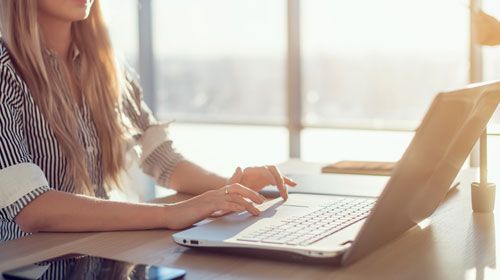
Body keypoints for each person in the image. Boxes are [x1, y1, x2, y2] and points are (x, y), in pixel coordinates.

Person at [0, 0, 295, 254]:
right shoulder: (5, 70)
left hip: (98, 253)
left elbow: (162, 161)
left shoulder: (105, 65)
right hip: (29, 262)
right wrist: (170, 213)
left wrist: (232, 189)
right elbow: (32, 208)